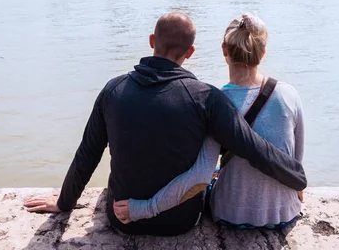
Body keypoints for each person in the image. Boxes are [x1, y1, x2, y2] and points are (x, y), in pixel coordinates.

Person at [24, 12, 306, 236]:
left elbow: (87, 154)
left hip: (121, 218)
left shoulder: (112, 90)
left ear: (151, 41)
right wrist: (297, 177)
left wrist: (64, 202)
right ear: (191, 52)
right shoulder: (206, 97)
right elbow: (251, 148)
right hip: (181, 221)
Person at [113, 13, 305, 230]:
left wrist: (144, 208)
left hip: (231, 213)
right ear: (262, 53)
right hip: (286, 211)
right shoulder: (289, 94)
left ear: (224, 50)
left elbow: (200, 176)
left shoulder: (214, 100)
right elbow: (295, 157)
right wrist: (296, 188)